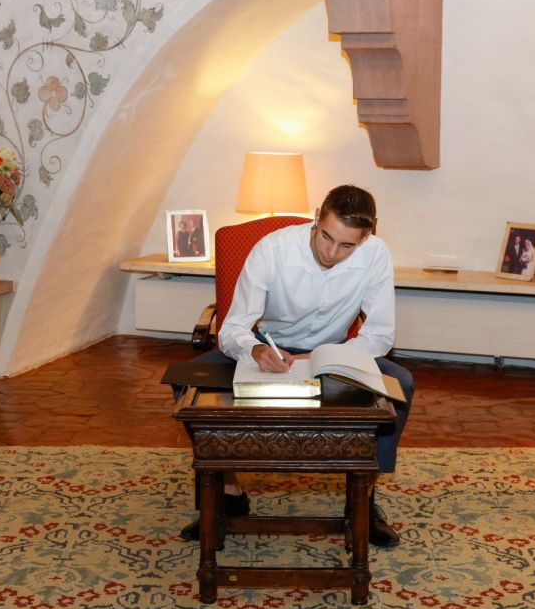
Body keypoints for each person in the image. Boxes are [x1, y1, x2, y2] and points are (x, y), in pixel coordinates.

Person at [176, 185, 414, 547]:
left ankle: (362, 503)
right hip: (270, 346)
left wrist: (327, 357)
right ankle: (229, 492)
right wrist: (255, 349)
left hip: (335, 350)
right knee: (187, 383)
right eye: (327, 237)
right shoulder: (273, 249)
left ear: (365, 237)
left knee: (400, 384)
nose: (331, 253)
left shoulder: (376, 255)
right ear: (317, 217)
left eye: (346, 246)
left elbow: (380, 335)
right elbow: (233, 327)